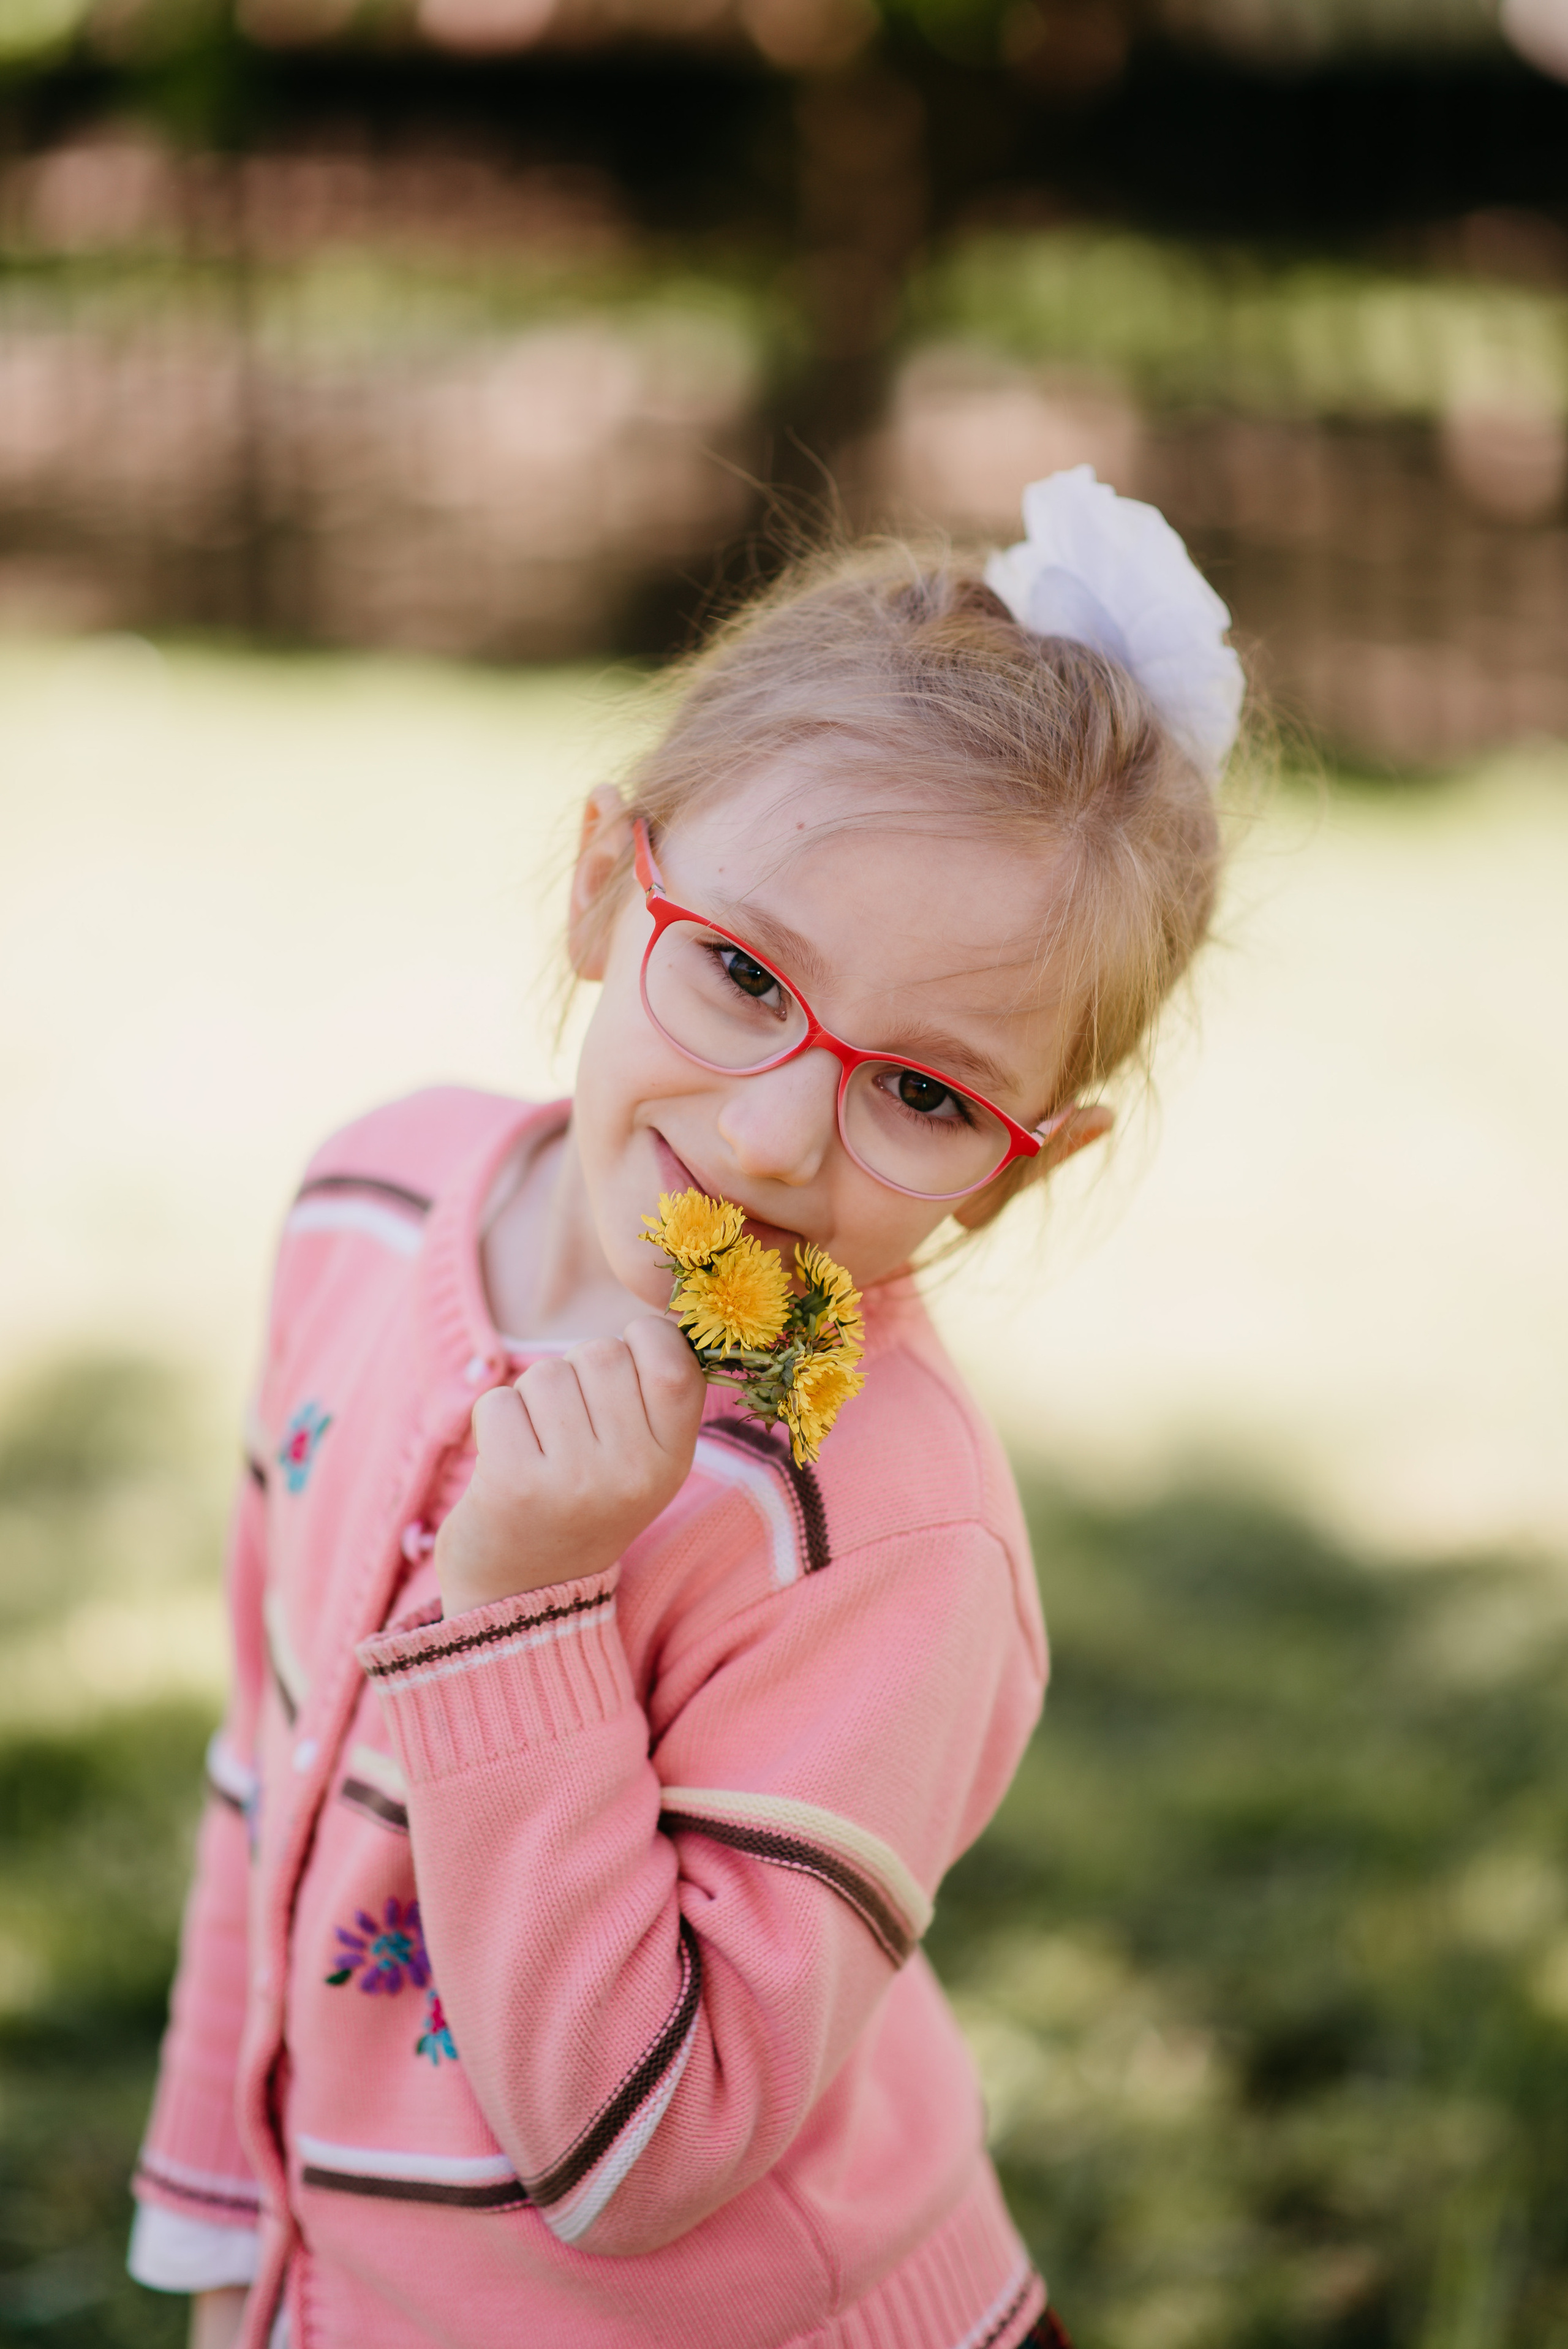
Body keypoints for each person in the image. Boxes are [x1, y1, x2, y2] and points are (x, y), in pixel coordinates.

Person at [127, 467, 1244, 2349]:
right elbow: (271, 1773)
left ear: (1020, 1166)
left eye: (924, 1093)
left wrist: (518, 1606)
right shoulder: (363, 1211)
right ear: (598, 884)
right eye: (740, 973)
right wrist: (228, 2227)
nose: (772, 1132)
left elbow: (648, 2146)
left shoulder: (882, 1529)